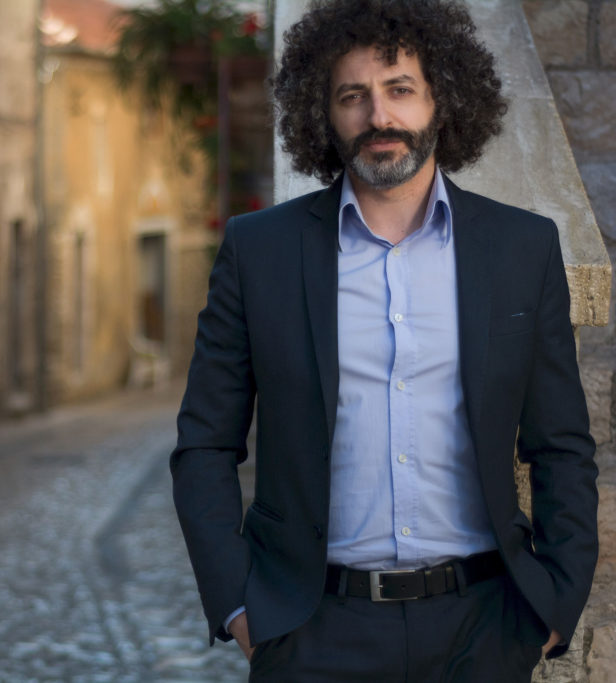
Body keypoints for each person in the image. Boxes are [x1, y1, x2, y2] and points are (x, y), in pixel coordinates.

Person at [171, 1, 598, 680]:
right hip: (312, 635)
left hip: (483, 630)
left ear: (442, 98)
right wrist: (240, 606)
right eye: (353, 96)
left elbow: (561, 445)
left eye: (400, 89)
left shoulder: (522, 247)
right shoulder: (260, 252)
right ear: (324, 112)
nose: (378, 117)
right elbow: (205, 443)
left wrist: (557, 601)